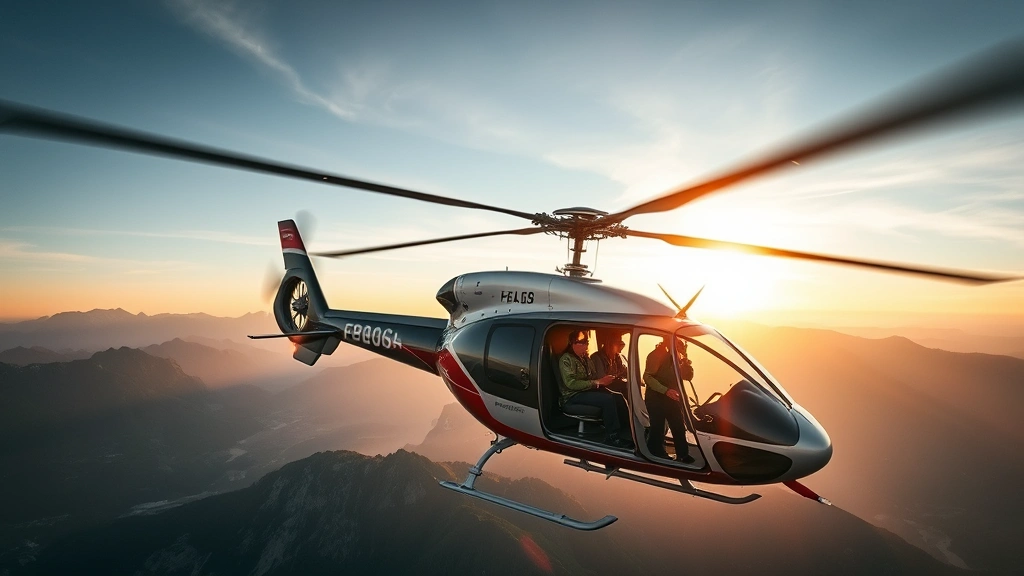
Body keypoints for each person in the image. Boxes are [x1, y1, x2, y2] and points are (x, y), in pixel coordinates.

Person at [558, 329, 632, 449]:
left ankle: (628, 431)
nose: (586, 345)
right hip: (572, 396)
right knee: (607, 400)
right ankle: (612, 437)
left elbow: (592, 376)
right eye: (583, 342)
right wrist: (597, 382)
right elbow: (571, 384)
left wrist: (604, 380)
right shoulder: (566, 359)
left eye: (587, 342)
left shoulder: (585, 359)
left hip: (587, 391)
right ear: (573, 343)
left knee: (617, 396)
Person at [643, 336, 695, 463]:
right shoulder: (656, 355)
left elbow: (688, 376)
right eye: (677, 342)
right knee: (658, 426)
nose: (680, 345)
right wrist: (665, 390)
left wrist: (686, 360)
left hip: (671, 396)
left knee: (678, 425)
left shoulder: (677, 357)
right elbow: (647, 377)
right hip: (656, 396)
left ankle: (682, 454)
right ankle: (654, 452)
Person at [592, 331, 629, 400]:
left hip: (616, 386)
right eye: (618, 345)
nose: (620, 350)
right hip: (603, 389)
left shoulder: (618, 357)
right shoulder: (597, 358)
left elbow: (625, 371)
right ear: (611, 344)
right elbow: (603, 380)